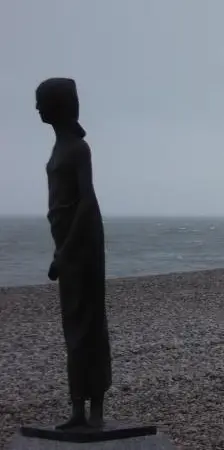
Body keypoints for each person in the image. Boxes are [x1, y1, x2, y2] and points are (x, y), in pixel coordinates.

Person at [38, 77, 112, 430]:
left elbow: (87, 203)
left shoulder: (78, 149)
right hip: (66, 243)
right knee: (73, 326)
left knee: (89, 325)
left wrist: (65, 253)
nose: (37, 108)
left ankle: (95, 406)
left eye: (42, 101)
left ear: (57, 106)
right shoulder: (60, 147)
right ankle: (77, 408)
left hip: (82, 245)